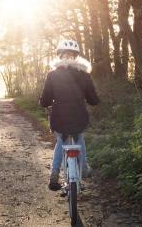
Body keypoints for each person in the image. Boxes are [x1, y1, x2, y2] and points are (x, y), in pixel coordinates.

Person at [39, 39, 100, 191]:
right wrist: (92, 100)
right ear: (76, 56)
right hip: (79, 115)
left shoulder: (52, 75)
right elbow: (93, 100)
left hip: (59, 117)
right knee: (79, 136)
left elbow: (45, 100)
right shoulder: (84, 75)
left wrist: (44, 103)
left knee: (61, 140)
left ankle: (54, 173)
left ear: (60, 56)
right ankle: (84, 167)